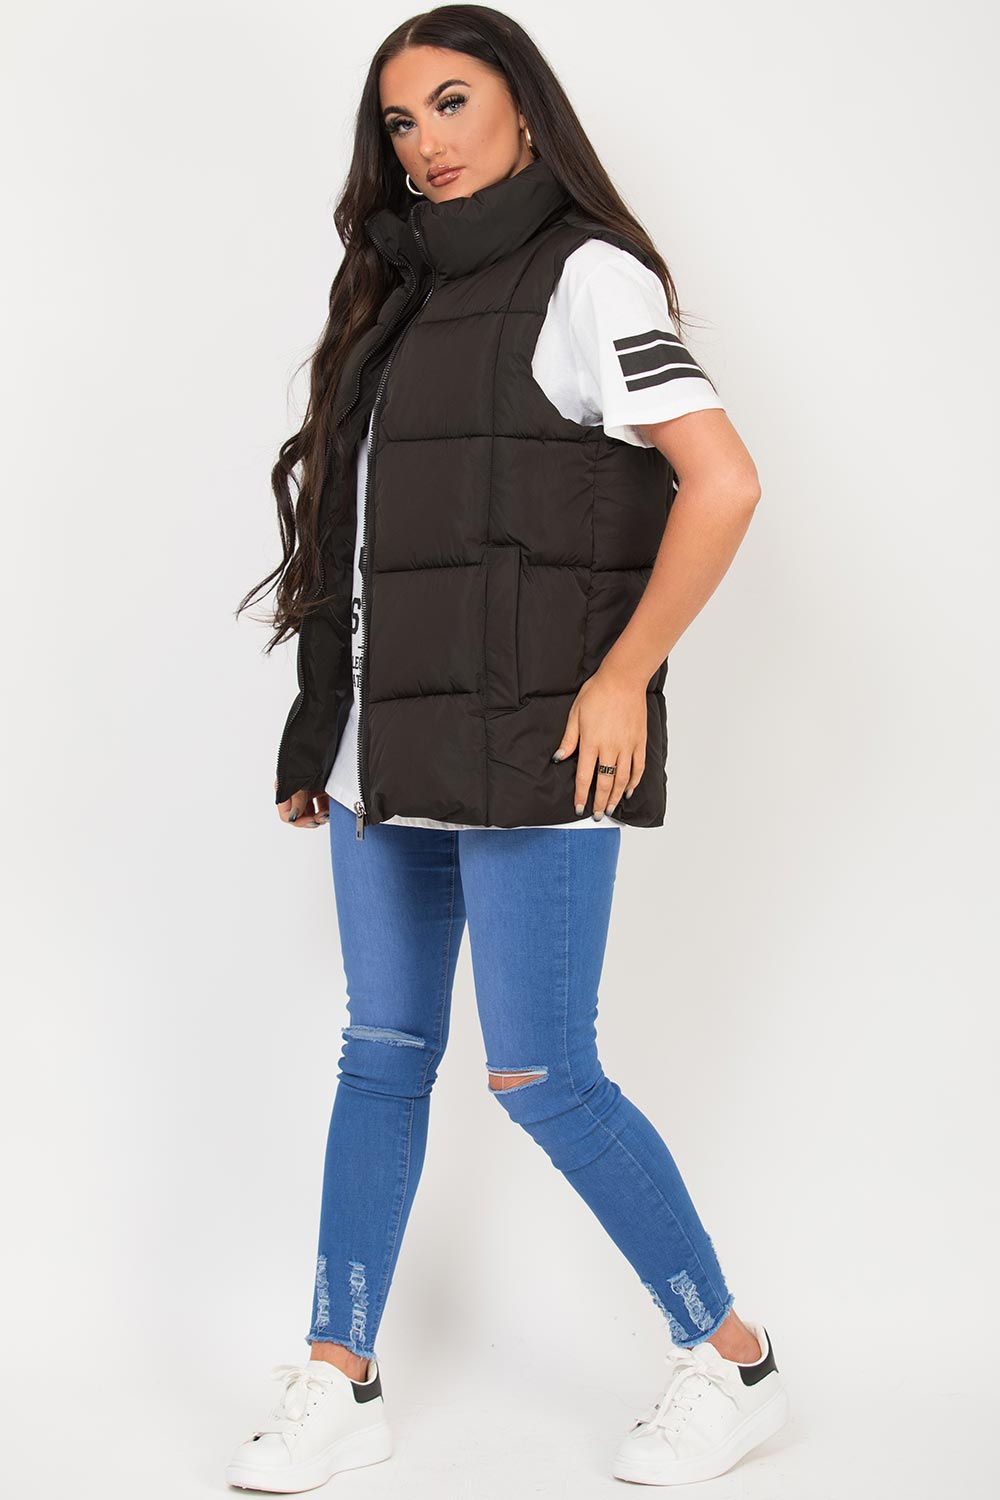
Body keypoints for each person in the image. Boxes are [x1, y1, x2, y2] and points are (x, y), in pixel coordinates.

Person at [230, 5, 790, 1491]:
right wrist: (321, 733)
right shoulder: (399, 298)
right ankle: (339, 1376)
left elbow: (723, 482)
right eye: (399, 121)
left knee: (543, 1074)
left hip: (536, 744)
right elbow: (358, 542)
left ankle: (732, 1358)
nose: (425, 142)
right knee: (382, 1055)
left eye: (453, 102)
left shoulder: (591, 278)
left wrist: (626, 677)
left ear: (526, 110)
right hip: (387, 757)